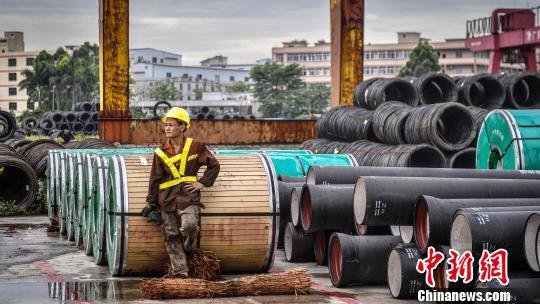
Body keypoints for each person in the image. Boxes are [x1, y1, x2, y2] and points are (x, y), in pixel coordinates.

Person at [142, 107, 220, 278]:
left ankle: (188, 249)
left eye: (171, 125)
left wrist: (202, 183)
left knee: (190, 226)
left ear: (182, 127)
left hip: (188, 196)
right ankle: (180, 272)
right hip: (166, 198)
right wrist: (152, 203)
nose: (167, 128)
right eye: (166, 125)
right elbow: (154, 178)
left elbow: (214, 165)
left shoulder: (196, 147)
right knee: (171, 235)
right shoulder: (160, 152)